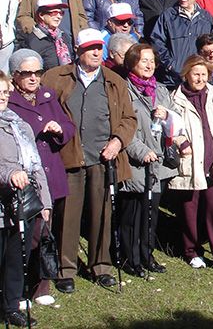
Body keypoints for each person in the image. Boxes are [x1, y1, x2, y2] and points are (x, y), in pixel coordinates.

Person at [43, 28, 137, 292]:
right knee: (67, 216)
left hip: (103, 157)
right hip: (68, 156)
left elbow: (129, 119)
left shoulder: (114, 81)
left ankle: (101, 266)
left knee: (102, 214)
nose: (96, 52)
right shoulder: (55, 77)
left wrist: (117, 141)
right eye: (90, 48)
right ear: (78, 51)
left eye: (99, 48)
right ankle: (65, 269)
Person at [7, 49, 75, 307]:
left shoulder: (47, 96)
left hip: (50, 172)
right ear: (15, 75)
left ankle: (41, 285)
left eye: (38, 72)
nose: (34, 77)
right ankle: (19, 288)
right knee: (25, 235)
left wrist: (59, 129)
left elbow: (68, 126)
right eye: (27, 73)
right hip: (24, 176)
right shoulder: (9, 100)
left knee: (45, 232)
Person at [168, 55, 213, 272]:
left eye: (204, 74)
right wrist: (181, 141)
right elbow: (171, 128)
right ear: (186, 74)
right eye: (196, 74)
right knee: (190, 209)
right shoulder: (175, 99)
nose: (200, 79)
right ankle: (191, 251)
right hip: (190, 162)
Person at [119, 43, 177, 277]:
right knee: (132, 214)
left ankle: (147, 255)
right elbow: (121, 125)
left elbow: (176, 121)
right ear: (132, 62)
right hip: (136, 161)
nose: (149, 65)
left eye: (152, 61)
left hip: (158, 162)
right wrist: (140, 151)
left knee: (151, 213)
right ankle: (129, 259)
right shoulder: (123, 90)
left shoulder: (161, 90)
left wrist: (168, 116)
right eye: (144, 60)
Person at [0, 72, 52, 327]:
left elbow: (36, 166)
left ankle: (11, 306)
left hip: (23, 202)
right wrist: (9, 174)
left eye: (4, 92)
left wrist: (45, 201)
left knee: (15, 257)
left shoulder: (19, 124)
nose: (2, 97)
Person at [150, 0, 213, 89]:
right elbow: (157, 42)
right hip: (174, 79)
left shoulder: (206, 17)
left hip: (199, 78)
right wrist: (170, 65)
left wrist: (208, 64)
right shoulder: (168, 16)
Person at [16, 0, 73, 71]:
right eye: (54, 13)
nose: (59, 16)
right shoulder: (32, 41)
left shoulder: (63, 38)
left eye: (61, 13)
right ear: (41, 15)